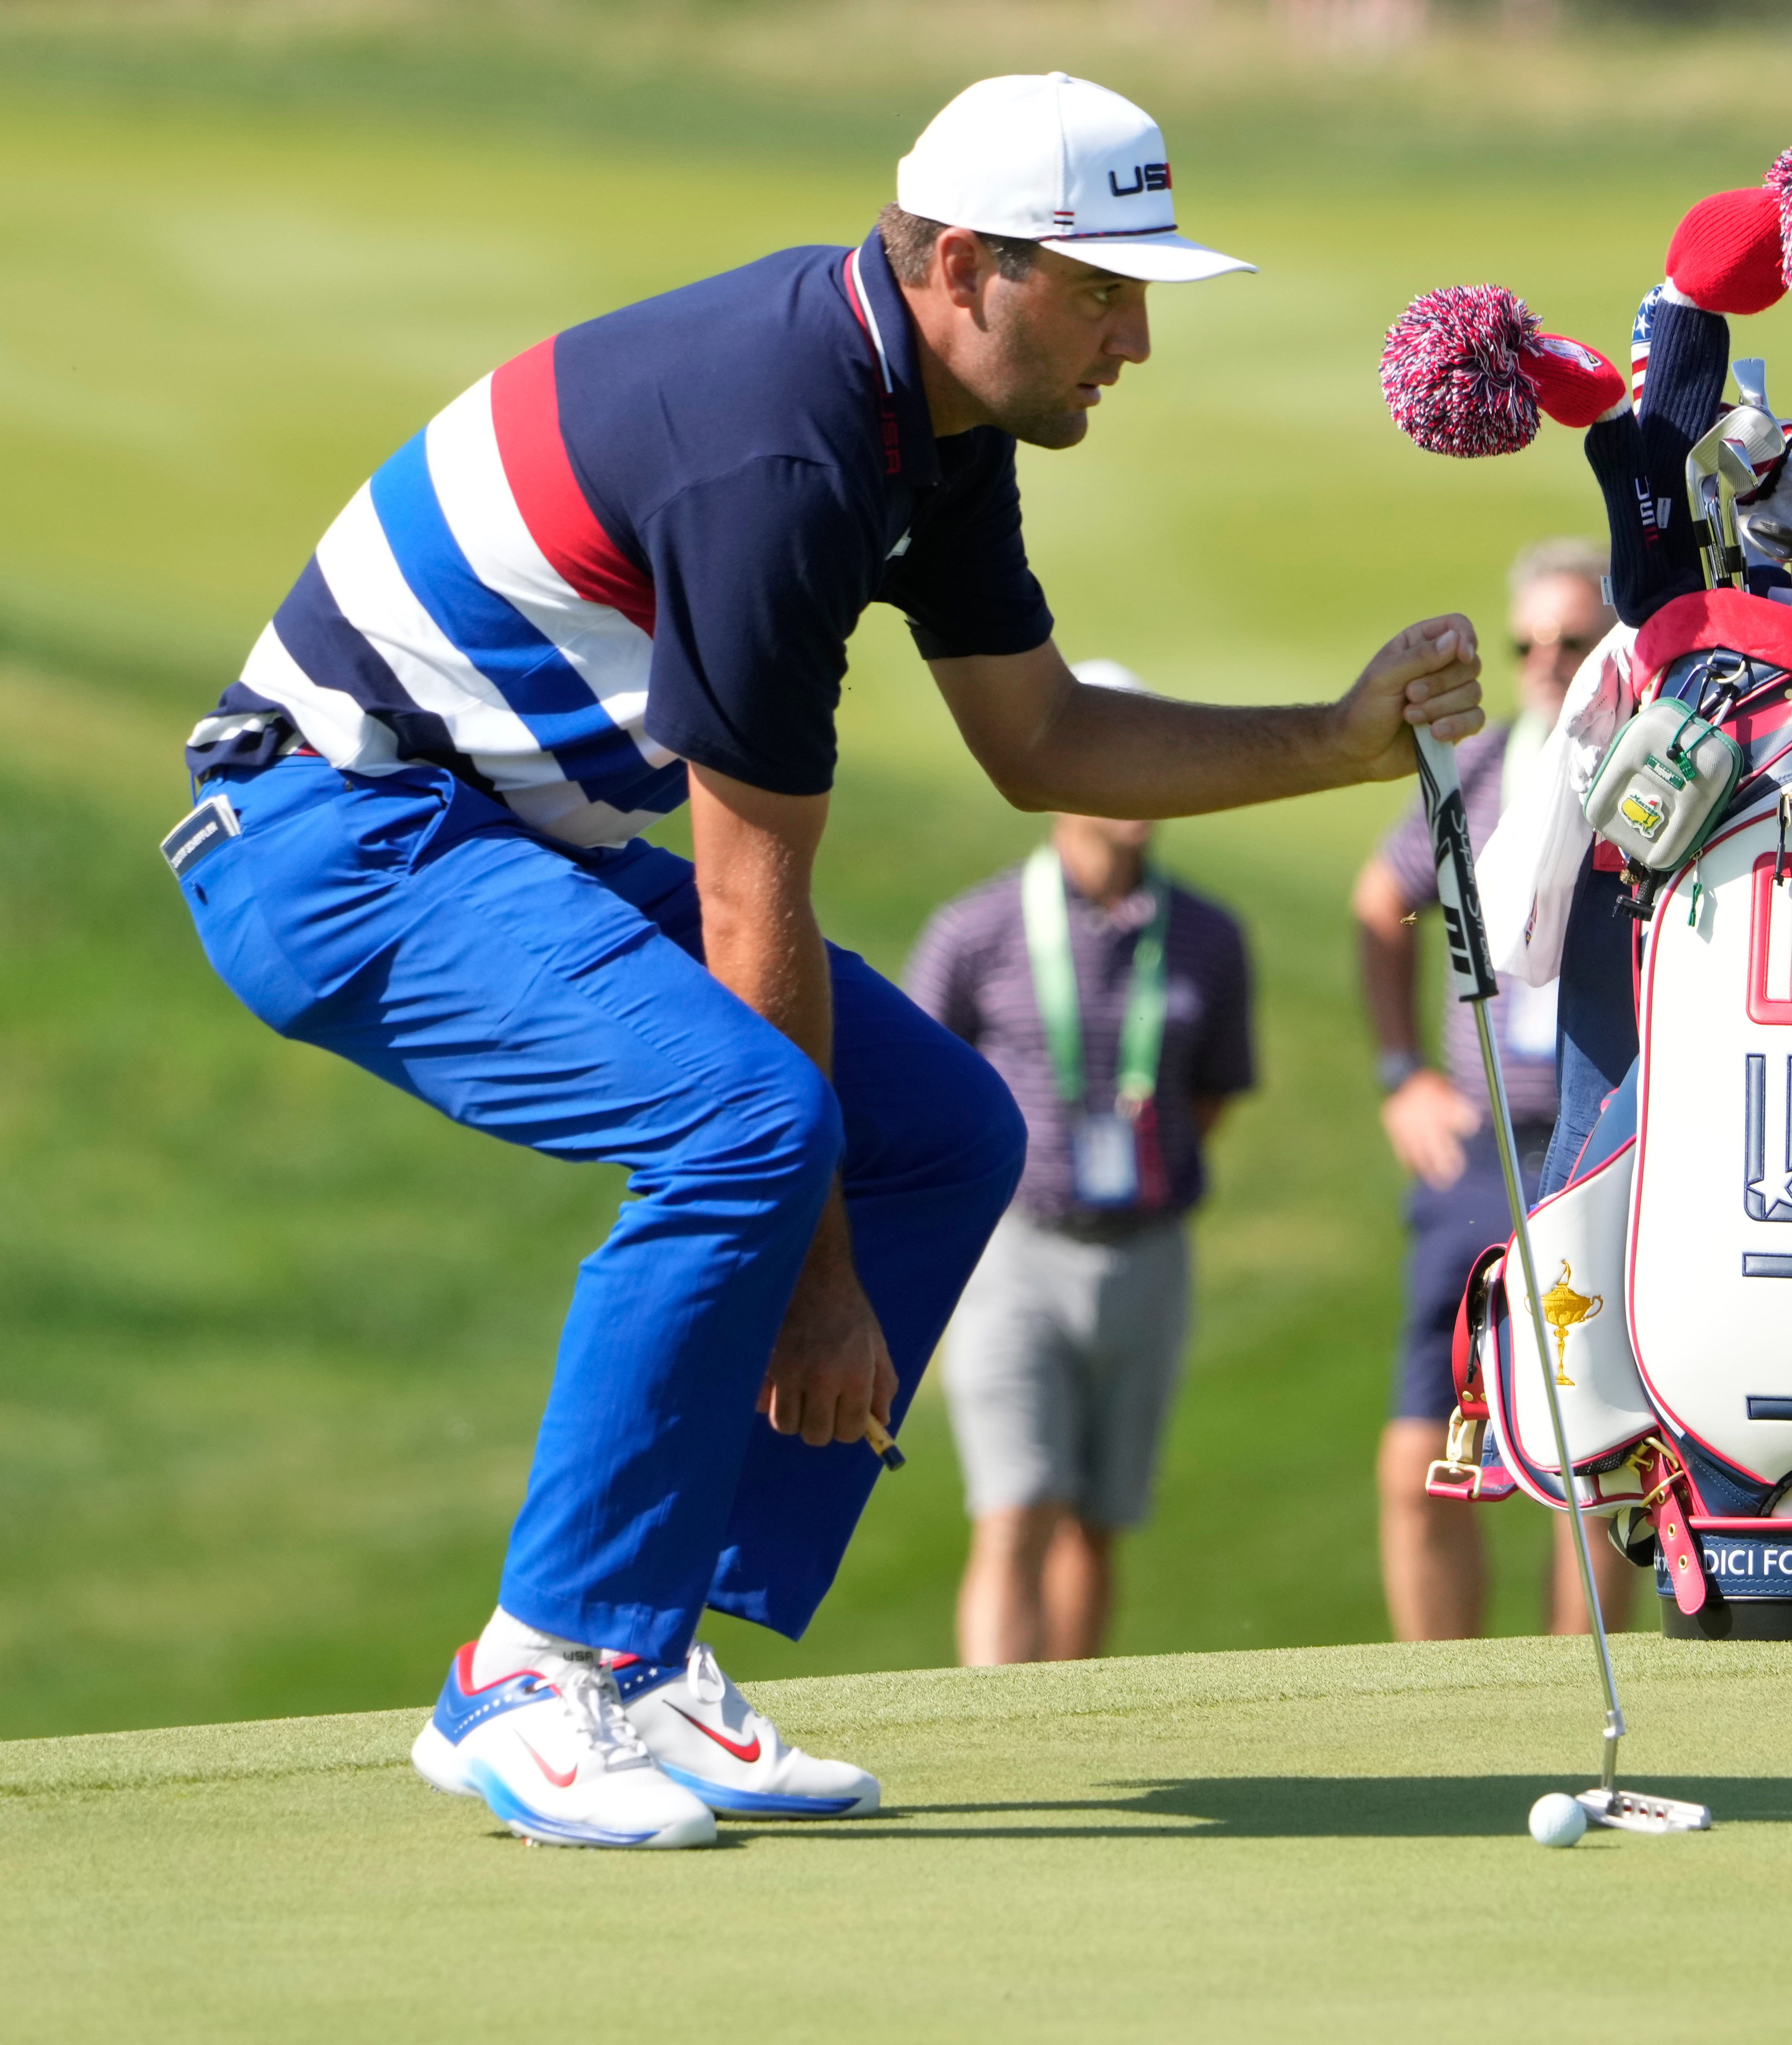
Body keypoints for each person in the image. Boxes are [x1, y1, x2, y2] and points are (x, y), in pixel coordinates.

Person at [162, 73, 1482, 1850]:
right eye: (1102, 290)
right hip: (331, 841)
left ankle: (636, 1656)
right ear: (961, 266)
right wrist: (815, 1271)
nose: (1137, 339)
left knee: (942, 1123)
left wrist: (1334, 736)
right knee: (753, 1128)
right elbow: (747, 890)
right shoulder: (782, 451)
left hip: (487, 832)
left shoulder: (927, 422)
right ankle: (527, 1667)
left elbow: (1039, 738)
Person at [906, 661, 1254, 1666]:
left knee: (1099, 1523)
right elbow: (916, 1089)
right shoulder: (974, 932)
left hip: (1149, 1251)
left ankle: (1073, 1718)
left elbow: (1214, 1092)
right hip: (1013, 1249)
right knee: (1017, 1508)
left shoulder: (1209, 936)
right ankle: (993, 1736)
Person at [1358, 537, 1636, 1641]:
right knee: (1426, 1428)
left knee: (1598, 1437)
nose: (1547, 662)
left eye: (1572, 641)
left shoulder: (1643, 773)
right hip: (1482, 1139)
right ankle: (1443, 1686)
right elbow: (1382, 902)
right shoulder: (1474, 778)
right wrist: (1402, 1076)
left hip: (1604, 1126)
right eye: (1530, 643)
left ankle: (1585, 1680)